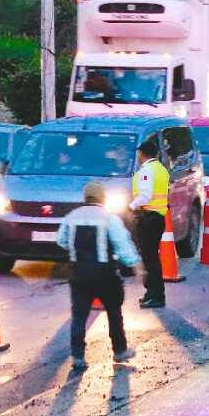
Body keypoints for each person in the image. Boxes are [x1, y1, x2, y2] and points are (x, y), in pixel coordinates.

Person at [56, 182, 142, 370]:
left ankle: (78, 357)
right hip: (105, 275)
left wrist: (75, 251)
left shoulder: (72, 217)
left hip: (78, 274)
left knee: (79, 315)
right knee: (114, 312)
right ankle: (119, 350)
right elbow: (122, 244)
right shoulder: (109, 219)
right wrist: (135, 265)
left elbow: (61, 240)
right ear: (102, 198)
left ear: (85, 197)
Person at [129, 139, 170, 309]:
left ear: (142, 153)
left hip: (149, 218)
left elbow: (145, 195)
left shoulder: (147, 171)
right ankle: (151, 293)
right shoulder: (161, 169)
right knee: (151, 258)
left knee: (150, 259)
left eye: (139, 153)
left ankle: (156, 295)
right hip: (157, 217)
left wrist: (131, 206)